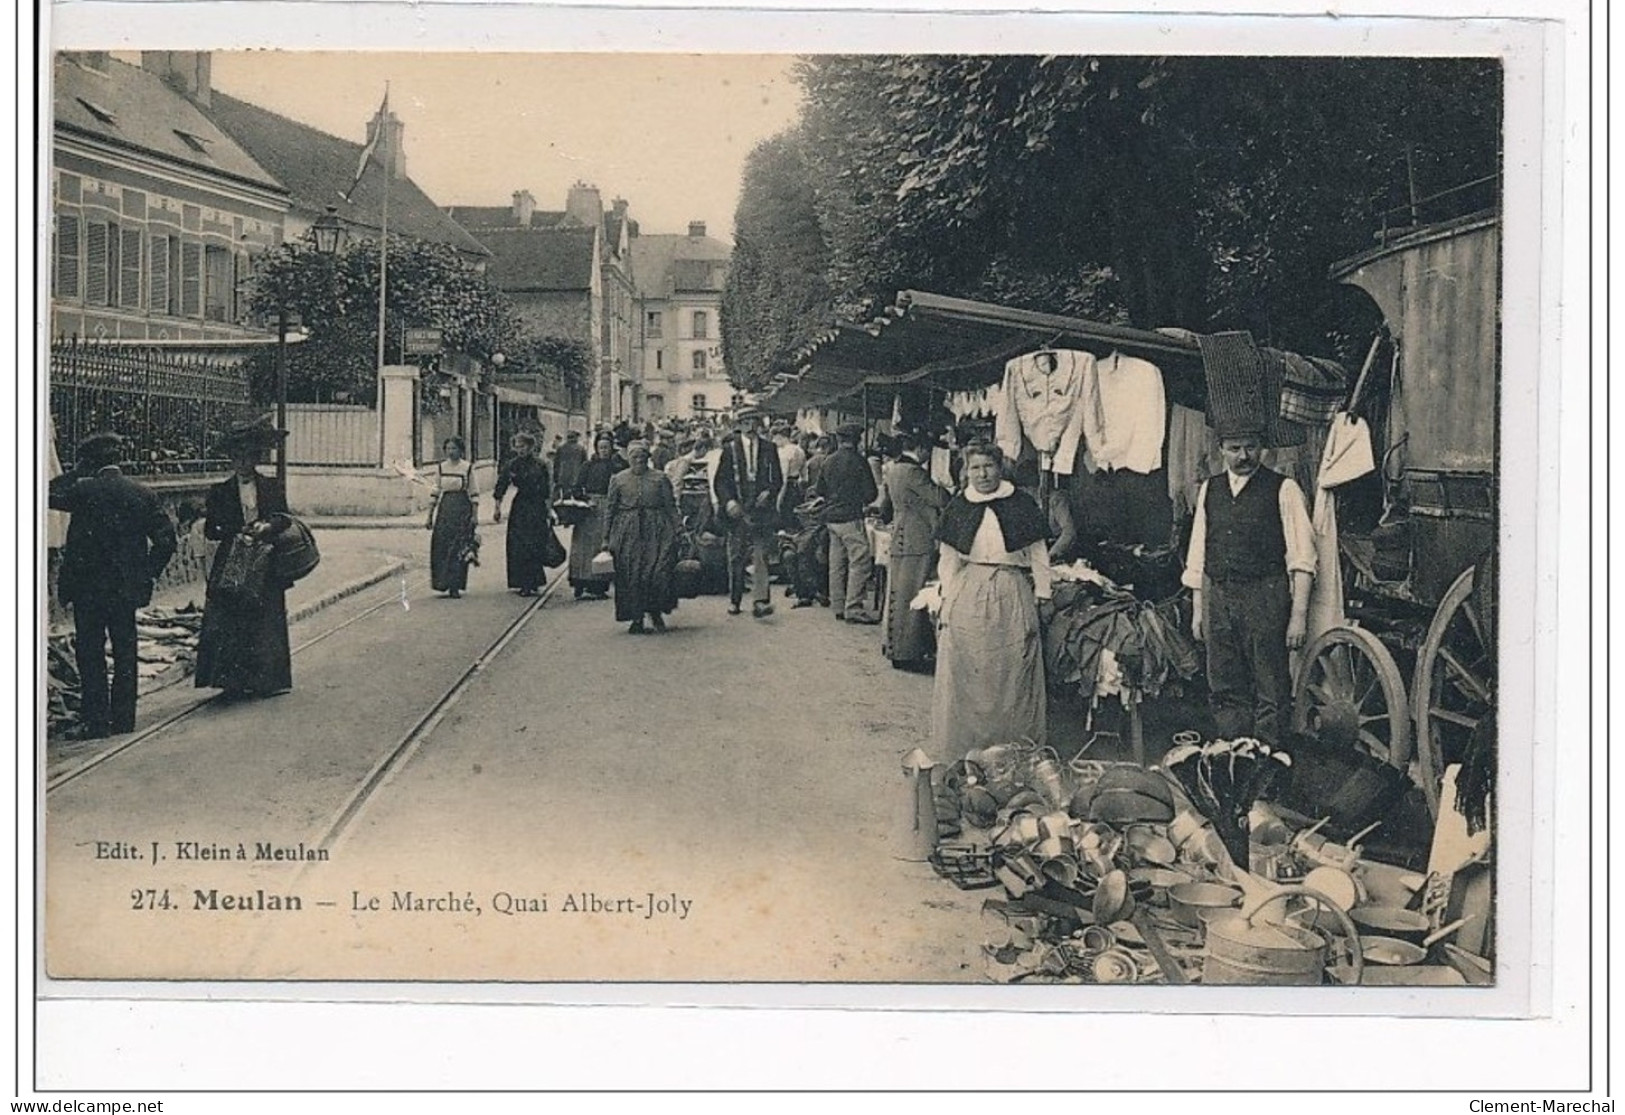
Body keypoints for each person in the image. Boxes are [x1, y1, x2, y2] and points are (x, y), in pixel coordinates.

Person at [1182, 424, 1316, 745]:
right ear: (1221, 450)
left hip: (1265, 595)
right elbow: (1198, 552)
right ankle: (1234, 765)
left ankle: (1267, 774)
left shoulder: (1284, 489)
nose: (1244, 456)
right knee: (1225, 685)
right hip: (1219, 595)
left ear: (1262, 448)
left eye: (1251, 447)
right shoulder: (1209, 490)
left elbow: (1303, 558)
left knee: (1270, 687)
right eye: (1235, 449)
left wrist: (1298, 615)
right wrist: (1199, 610)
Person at [48, 432, 177, 739]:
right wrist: (147, 574)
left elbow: (45, 493)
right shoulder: (142, 493)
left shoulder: (83, 491)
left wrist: (77, 473)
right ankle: (124, 721)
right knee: (125, 650)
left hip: (87, 590)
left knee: (90, 653)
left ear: (91, 461)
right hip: (125, 589)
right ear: (119, 459)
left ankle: (96, 722)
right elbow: (166, 541)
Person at [931, 441, 1053, 757]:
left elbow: (1038, 552)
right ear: (966, 472)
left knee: (1011, 670)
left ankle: (1011, 750)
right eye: (975, 467)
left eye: (988, 466)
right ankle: (968, 748)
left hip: (1011, 590)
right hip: (968, 589)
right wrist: (946, 596)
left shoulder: (1021, 503)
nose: (982, 474)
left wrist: (1043, 591)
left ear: (1000, 468)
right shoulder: (959, 506)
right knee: (970, 667)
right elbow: (948, 557)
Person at [195, 418, 294, 699]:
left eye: (247, 457)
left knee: (267, 617)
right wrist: (236, 531)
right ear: (231, 460)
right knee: (233, 618)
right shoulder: (220, 492)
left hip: (266, 559)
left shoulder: (270, 486)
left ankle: (269, 680)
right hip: (233, 560)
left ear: (255, 458)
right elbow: (212, 530)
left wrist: (267, 527)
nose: (242, 463)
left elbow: (285, 518)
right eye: (237, 458)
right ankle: (234, 681)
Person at [874, 428, 948, 668]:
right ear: (921, 450)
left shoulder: (895, 469)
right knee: (911, 596)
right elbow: (939, 498)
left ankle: (898, 647)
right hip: (916, 539)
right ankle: (906, 654)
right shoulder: (914, 472)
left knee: (899, 593)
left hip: (902, 535)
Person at [604, 439, 682, 634]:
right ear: (628, 459)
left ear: (648, 457)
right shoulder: (618, 479)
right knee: (631, 575)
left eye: (642, 456)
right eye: (634, 456)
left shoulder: (660, 478)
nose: (638, 460)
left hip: (657, 530)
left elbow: (670, 506)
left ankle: (655, 611)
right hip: (627, 532)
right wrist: (606, 538)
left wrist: (678, 529)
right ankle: (636, 618)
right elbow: (610, 510)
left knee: (657, 572)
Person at [712, 411, 784, 618]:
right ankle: (735, 599)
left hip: (761, 510)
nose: (751, 427)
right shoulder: (730, 449)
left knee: (761, 554)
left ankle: (761, 601)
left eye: (755, 422)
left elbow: (777, 478)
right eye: (746, 422)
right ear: (740, 425)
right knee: (736, 555)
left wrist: (769, 492)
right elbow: (720, 481)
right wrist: (729, 502)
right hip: (738, 508)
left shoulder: (769, 448)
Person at [813, 423, 880, 624]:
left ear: (840, 440)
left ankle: (838, 605)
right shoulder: (860, 462)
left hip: (831, 519)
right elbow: (871, 494)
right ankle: (854, 607)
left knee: (837, 563)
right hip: (850, 517)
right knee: (860, 562)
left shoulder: (828, 461)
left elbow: (820, 490)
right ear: (857, 440)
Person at [492, 431, 555, 597]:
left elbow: (547, 489)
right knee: (519, 545)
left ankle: (534, 581)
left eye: (523, 446)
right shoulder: (512, 465)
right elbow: (501, 485)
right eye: (517, 446)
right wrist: (497, 507)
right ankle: (523, 582)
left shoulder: (540, 465)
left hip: (537, 507)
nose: (520, 450)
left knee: (535, 543)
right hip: (520, 507)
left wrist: (549, 510)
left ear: (531, 447)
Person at [567, 433, 625, 599]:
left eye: (607, 447)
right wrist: (586, 500)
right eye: (601, 447)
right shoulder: (587, 466)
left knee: (603, 546)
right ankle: (580, 581)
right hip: (589, 511)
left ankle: (599, 584)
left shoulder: (616, 466)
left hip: (609, 509)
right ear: (596, 448)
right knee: (582, 547)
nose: (604, 451)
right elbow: (576, 488)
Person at [426, 436, 478, 599]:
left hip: (462, 508)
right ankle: (442, 583)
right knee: (441, 545)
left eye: (454, 448)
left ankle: (455, 585)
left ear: (461, 450)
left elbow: (474, 493)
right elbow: (435, 492)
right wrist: (429, 516)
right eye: (448, 448)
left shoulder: (467, 468)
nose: (451, 451)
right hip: (445, 509)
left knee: (458, 548)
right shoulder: (441, 468)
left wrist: (475, 516)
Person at [774, 425, 807, 518]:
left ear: (781, 437)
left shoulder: (783, 452)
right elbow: (804, 474)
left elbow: (784, 475)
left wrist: (779, 498)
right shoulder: (800, 450)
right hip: (797, 486)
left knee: (785, 516)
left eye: (776, 439)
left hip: (786, 488)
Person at [553, 430, 587, 500]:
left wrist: (556, 478)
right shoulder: (581, 449)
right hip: (576, 479)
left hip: (562, 478)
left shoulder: (561, 448)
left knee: (563, 499)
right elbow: (585, 465)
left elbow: (556, 465)